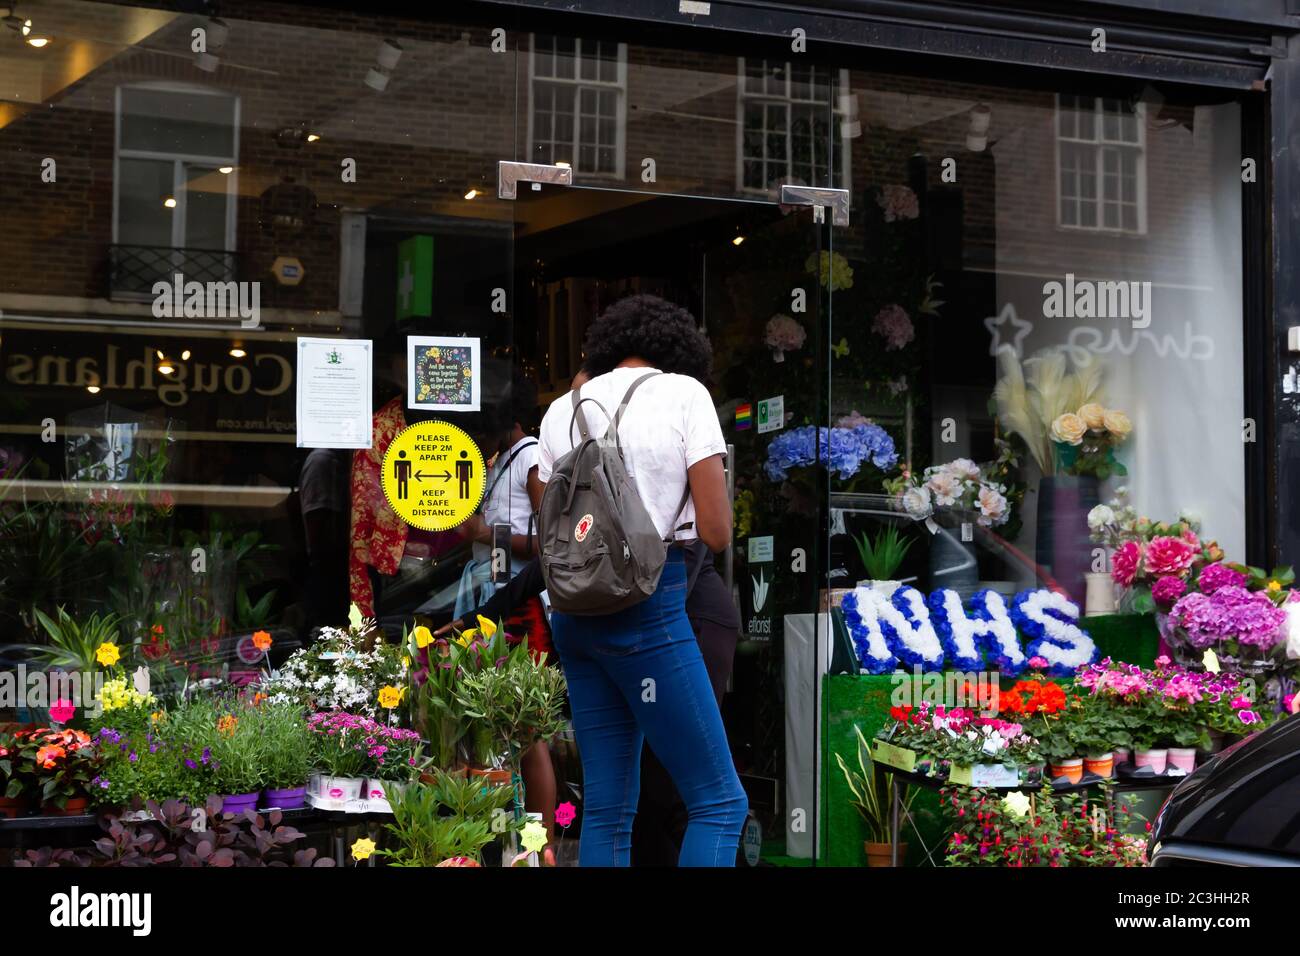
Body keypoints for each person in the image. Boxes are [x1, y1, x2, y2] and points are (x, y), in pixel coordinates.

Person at [536, 294, 747, 867]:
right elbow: (718, 530)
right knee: (720, 802)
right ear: (680, 350)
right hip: (650, 608)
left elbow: (548, 522)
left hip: (576, 616)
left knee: (606, 808)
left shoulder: (561, 410)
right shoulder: (685, 395)